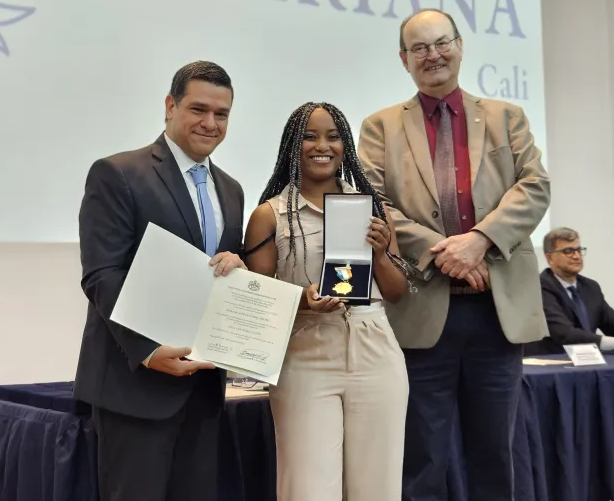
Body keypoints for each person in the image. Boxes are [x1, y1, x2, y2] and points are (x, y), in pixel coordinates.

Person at [357, 9, 551, 501]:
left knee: (494, 455)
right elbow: (373, 204)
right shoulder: (379, 127)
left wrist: (480, 240)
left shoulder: (508, 117)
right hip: (422, 310)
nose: (433, 55)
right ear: (404, 60)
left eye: (441, 43)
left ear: (460, 46)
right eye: (419, 48)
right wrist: (447, 252)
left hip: (497, 310)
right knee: (421, 457)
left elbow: (534, 186)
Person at [74, 61, 246, 501]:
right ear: (170, 106)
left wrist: (237, 268)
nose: (210, 123)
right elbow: (102, 275)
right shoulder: (118, 173)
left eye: (221, 114)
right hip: (135, 386)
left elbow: (216, 274)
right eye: (198, 109)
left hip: (203, 388)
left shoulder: (231, 190)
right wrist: (148, 351)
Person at [244, 102, 411, 501]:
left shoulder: (373, 210)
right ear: (292, 145)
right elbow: (255, 297)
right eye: (310, 136)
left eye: (333, 136)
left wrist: (380, 252)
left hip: (375, 349)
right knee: (309, 489)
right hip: (305, 353)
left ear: (346, 146)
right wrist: (302, 299)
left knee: (378, 488)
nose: (323, 145)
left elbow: (397, 292)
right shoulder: (269, 215)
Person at [524, 227, 614, 356]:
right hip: (551, 363)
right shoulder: (539, 287)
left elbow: (613, 323)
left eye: (578, 250)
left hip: (588, 361)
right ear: (550, 258)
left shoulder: (590, 286)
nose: (576, 256)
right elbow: (564, 333)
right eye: (568, 251)